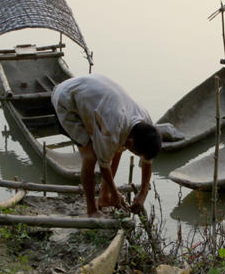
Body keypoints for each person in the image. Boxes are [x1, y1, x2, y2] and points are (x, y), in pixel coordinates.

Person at [51, 74, 162, 218]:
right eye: (137, 154)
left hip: (94, 96)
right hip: (66, 99)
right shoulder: (111, 128)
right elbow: (104, 163)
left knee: (117, 148)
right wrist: (115, 192)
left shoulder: (145, 120)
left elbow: (148, 160)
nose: (139, 156)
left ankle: (104, 196)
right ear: (131, 141)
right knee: (90, 156)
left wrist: (143, 192)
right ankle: (92, 210)